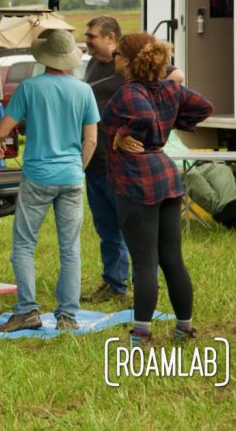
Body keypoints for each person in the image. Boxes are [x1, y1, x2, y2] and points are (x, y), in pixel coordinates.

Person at [100, 32, 213, 347]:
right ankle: (184, 328)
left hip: (138, 180)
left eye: (118, 54)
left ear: (128, 60)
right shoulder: (169, 88)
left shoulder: (128, 92)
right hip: (166, 175)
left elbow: (142, 115)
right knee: (172, 258)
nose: (114, 59)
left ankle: (141, 334)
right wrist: (170, 122)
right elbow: (205, 106)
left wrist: (124, 133)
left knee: (145, 261)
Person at [0, 29, 99, 332]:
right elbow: (90, 141)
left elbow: (4, 129)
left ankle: (27, 311)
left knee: (24, 245)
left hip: (37, 175)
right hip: (71, 176)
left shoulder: (29, 87)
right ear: (70, 59)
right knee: (70, 247)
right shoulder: (84, 91)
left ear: (44, 57)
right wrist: (79, 169)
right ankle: (67, 316)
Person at [81, 16, 183, 303]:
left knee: (135, 233)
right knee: (107, 230)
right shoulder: (93, 65)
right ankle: (114, 283)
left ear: (111, 37)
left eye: (92, 35)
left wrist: (137, 128)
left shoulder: (130, 66)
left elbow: (177, 77)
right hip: (97, 162)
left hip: (125, 165)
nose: (87, 40)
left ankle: (146, 288)